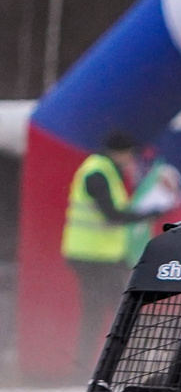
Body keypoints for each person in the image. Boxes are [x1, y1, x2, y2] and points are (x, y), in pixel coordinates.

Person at [62, 131, 150, 363]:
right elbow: (111, 214)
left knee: (108, 309)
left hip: (103, 255)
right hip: (91, 256)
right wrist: (146, 215)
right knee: (107, 310)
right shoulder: (98, 173)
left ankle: (94, 364)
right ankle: (95, 365)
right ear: (122, 153)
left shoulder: (105, 171)